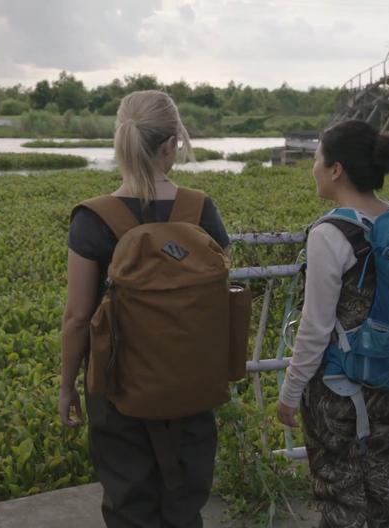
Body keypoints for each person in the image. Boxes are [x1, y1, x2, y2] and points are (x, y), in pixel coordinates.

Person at [59, 90, 232, 528]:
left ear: (120, 142)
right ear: (172, 144)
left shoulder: (93, 219)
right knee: (185, 505)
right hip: (191, 384)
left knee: (128, 505)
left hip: (117, 387)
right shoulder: (200, 210)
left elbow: (78, 317)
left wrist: (66, 387)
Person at [278, 119, 389, 527]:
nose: (313, 166)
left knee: (340, 491)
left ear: (336, 170)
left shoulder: (330, 233)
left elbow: (316, 328)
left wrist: (291, 389)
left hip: (337, 390)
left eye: (317, 158)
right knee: (383, 484)